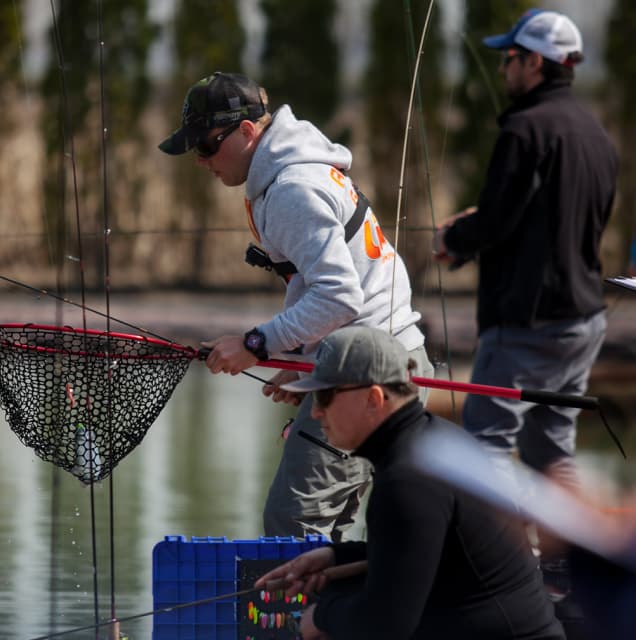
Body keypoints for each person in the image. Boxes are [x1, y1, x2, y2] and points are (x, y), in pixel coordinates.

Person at [158, 72, 432, 541]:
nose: (201, 161)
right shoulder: (295, 172)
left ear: (246, 133)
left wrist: (255, 344)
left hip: (368, 373)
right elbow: (332, 289)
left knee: (293, 525)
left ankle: (300, 619)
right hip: (375, 361)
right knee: (325, 536)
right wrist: (309, 362)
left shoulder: (291, 189)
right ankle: (333, 616)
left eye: (205, 145)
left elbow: (340, 296)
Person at [254, 326, 565, 640]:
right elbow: (418, 550)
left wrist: (321, 617)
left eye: (324, 396)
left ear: (373, 399)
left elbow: (386, 625)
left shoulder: (408, 480)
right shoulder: (431, 442)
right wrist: (337, 556)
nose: (316, 412)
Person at [434, 9, 615, 494]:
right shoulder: (596, 135)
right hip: (582, 320)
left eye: (509, 57)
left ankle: (500, 566)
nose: (502, 68)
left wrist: (452, 240)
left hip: (526, 325)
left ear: (534, 62)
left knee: (483, 447)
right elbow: (548, 217)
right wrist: (477, 228)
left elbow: (496, 219)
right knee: (551, 452)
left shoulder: (524, 131)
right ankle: (571, 563)